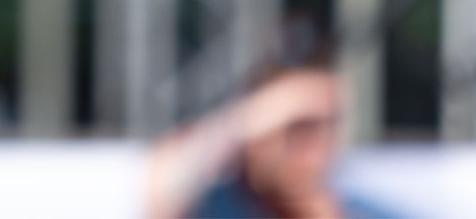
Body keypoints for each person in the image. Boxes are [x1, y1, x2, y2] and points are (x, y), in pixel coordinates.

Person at [146, 38, 403, 219]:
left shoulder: (363, 210)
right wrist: (253, 115)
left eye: (329, 123)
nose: (316, 142)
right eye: (297, 126)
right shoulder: (220, 204)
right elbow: (163, 188)